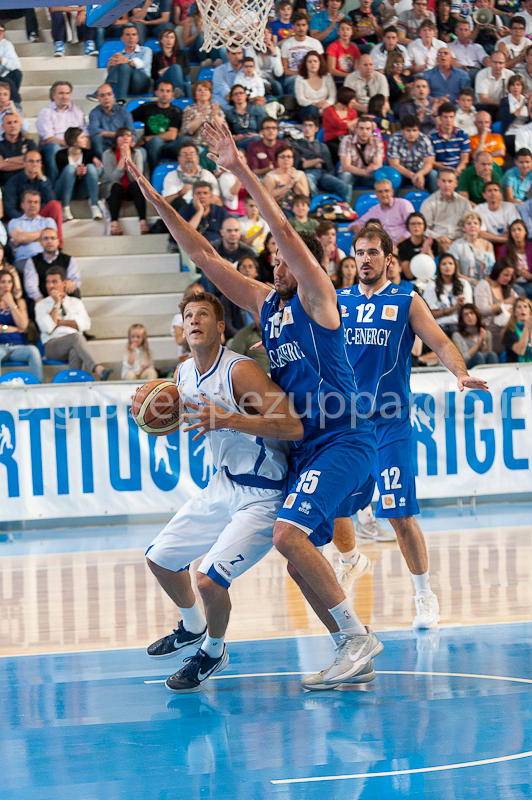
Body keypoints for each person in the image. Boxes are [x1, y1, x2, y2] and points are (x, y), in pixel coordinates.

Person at [127, 123, 385, 691]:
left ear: (310, 265)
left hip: (343, 436)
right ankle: (351, 646)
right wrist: (159, 204)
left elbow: (287, 229)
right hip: (305, 448)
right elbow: (205, 256)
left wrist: (239, 169)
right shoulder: (268, 305)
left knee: (287, 535)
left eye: (282, 259)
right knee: (296, 559)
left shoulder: (319, 298)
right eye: (270, 259)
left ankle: (357, 639)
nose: (274, 264)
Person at [144, 289, 304, 692]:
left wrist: (230, 419)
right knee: (160, 559)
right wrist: (145, 409)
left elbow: (293, 427)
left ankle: (213, 652)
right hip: (223, 483)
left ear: (219, 327)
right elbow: (175, 409)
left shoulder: (240, 371)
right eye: (188, 316)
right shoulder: (181, 373)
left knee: (209, 581)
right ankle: (193, 627)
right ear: (182, 329)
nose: (193, 320)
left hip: (264, 493)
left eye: (202, 315)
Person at [338, 225, 488, 633]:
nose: (364, 259)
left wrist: (460, 372)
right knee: (335, 509)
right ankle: (351, 560)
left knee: (400, 515)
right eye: (359, 252)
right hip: (346, 425)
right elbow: (304, 332)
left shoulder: (406, 299)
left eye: (372, 253)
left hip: (389, 422)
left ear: (389, 259)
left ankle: (424, 595)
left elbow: (440, 342)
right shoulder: (339, 299)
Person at [35, 266, 111, 379]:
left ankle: (74, 386)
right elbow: (47, 328)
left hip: (74, 343)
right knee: (76, 337)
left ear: (64, 283)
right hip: (52, 346)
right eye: (48, 282)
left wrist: (60, 322)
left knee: (75, 352)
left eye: (54, 282)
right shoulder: (41, 305)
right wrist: (57, 304)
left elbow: (86, 325)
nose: (50, 286)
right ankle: (97, 368)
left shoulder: (76, 302)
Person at [35, 81, 88, 185]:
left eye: (67, 93)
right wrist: (71, 143)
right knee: (54, 147)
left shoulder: (76, 109)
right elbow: (48, 138)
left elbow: (85, 131)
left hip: (75, 146)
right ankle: (53, 185)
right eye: (61, 93)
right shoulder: (45, 112)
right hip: (55, 147)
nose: (65, 96)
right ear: (53, 95)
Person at [101, 127, 149, 236]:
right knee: (116, 185)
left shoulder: (137, 153)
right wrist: (123, 159)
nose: (125, 138)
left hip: (131, 188)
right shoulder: (107, 154)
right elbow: (113, 178)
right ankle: (113, 222)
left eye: (128, 135)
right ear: (116, 139)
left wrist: (129, 160)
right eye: (122, 135)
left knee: (136, 186)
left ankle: (143, 221)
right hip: (111, 188)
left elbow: (137, 178)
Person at [0, 268, 43, 382]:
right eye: (3, 281)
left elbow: (23, 326)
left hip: (18, 347)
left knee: (33, 351)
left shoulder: (19, 302)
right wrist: (15, 328)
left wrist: (11, 303)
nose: (7, 285)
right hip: (0, 346)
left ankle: (39, 387)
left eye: (9, 281)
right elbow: (19, 328)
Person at [292, 115, 348, 200]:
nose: (307, 128)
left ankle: (343, 208)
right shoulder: (296, 145)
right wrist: (318, 160)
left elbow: (328, 166)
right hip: (305, 174)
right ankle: (313, 209)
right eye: (305, 125)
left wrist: (307, 162)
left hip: (322, 174)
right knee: (309, 182)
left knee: (343, 185)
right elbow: (299, 165)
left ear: (316, 129)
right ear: (302, 128)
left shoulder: (323, 146)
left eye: (310, 125)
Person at [54, 126, 103, 221]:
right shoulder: (60, 155)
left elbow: (98, 172)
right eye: (82, 137)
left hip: (81, 190)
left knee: (90, 167)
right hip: (64, 190)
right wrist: (76, 173)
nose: (86, 139)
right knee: (70, 169)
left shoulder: (89, 153)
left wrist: (86, 173)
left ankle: (94, 205)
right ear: (74, 141)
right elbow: (62, 176)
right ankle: (65, 207)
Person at [131, 81, 182, 171]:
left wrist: (147, 138)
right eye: (162, 91)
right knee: (156, 141)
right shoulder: (147, 107)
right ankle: (152, 176)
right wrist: (132, 138)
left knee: (187, 141)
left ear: (172, 94)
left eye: (168, 91)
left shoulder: (176, 111)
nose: (164, 94)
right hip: (150, 146)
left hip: (169, 146)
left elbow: (172, 135)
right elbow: (127, 118)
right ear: (156, 93)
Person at [23, 227, 81, 305]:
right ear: (40, 242)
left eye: (52, 238)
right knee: (32, 302)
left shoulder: (68, 259)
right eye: (46, 238)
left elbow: (75, 280)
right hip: (43, 298)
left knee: (75, 291)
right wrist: (39, 298)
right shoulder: (32, 261)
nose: (49, 241)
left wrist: (71, 282)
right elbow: (31, 286)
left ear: (58, 241)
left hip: (64, 297)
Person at [420, 168, 473, 251]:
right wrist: (438, 236)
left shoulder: (464, 202)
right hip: (439, 240)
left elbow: (470, 223)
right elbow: (423, 228)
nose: (446, 185)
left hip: (460, 239)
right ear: (438, 182)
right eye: (443, 181)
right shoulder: (429, 202)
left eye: (450, 181)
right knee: (447, 248)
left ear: (456, 183)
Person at [7, 190, 58, 273]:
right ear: (22, 205)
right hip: (24, 260)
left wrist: (25, 238)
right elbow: (20, 237)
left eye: (36, 202)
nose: (33, 205)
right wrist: (42, 235)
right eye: (29, 202)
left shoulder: (48, 221)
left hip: (46, 259)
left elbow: (50, 238)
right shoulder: (14, 222)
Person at [423, 252, 473, 335]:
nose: (448, 266)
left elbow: (469, 310)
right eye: (444, 264)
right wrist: (454, 307)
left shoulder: (464, 283)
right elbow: (431, 314)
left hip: (461, 326)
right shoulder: (431, 285)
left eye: (450, 263)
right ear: (439, 267)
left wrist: (462, 305)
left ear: (455, 267)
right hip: (440, 327)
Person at [473, 258, 518, 349]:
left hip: (507, 324)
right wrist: (503, 304)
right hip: (490, 326)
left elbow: (518, 301)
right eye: (506, 275)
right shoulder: (483, 285)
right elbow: (480, 311)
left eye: (510, 276)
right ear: (497, 272)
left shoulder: (507, 288)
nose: (508, 278)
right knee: (509, 333)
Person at [351, 178, 415, 243]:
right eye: (380, 191)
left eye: (386, 191)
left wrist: (397, 244)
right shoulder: (374, 210)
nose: (384, 195)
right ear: (376, 194)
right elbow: (354, 224)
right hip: (383, 247)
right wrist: (356, 228)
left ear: (392, 192)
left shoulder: (403, 204)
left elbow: (413, 227)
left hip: (405, 244)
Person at [387, 114, 438, 193]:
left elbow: (429, 163)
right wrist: (412, 175)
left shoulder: (425, 139)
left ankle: (436, 202)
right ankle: (392, 203)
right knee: (393, 176)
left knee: (433, 174)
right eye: (408, 130)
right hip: (402, 173)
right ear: (402, 130)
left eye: (414, 130)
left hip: (420, 171)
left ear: (418, 130)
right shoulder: (394, 139)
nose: (411, 134)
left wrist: (420, 174)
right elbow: (394, 165)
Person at [162, 142, 221, 209]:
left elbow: (216, 199)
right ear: (179, 159)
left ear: (197, 157)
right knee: (178, 202)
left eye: (192, 154)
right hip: (181, 213)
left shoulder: (207, 175)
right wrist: (180, 193)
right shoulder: (171, 176)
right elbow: (166, 202)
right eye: (184, 154)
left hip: (204, 212)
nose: (189, 157)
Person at [104, 24, 152, 104]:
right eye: (127, 34)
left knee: (124, 66)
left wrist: (127, 60)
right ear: (122, 39)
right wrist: (109, 68)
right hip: (125, 84)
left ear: (138, 38)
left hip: (142, 83)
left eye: (134, 34)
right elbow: (108, 76)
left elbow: (143, 64)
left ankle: (107, 90)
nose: (131, 37)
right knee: (118, 65)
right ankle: (119, 99)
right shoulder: (118, 55)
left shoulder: (146, 50)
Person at [87, 83, 136, 159]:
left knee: (141, 152)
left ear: (113, 95)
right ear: (98, 98)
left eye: (109, 94)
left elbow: (131, 132)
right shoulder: (94, 113)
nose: (106, 98)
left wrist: (126, 139)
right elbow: (94, 130)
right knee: (97, 139)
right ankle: (104, 166)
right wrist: (118, 134)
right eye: (102, 95)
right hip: (104, 145)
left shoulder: (124, 112)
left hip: (122, 144)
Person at [338, 115, 384, 193]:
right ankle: (344, 204)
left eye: (367, 129)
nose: (364, 132)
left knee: (383, 180)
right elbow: (346, 167)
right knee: (345, 176)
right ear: (356, 129)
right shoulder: (347, 140)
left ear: (372, 130)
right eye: (361, 128)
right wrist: (365, 172)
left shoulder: (377, 142)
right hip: (352, 174)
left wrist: (369, 171)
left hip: (369, 176)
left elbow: (377, 165)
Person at [280, 13, 324, 94]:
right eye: (298, 25)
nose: (301, 28)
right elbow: (284, 70)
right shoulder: (286, 44)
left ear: (307, 26)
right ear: (293, 27)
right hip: (293, 78)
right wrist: (301, 74)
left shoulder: (315, 43)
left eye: (303, 25)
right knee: (299, 81)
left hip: (313, 77)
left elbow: (322, 65)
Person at [449, 210, 496, 281]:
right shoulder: (456, 245)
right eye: (469, 223)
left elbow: (491, 270)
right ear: (463, 228)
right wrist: (472, 282)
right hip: (464, 283)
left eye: (475, 223)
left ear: (480, 227)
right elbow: (456, 273)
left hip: (485, 283)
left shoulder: (488, 245)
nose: (472, 226)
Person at [179, 82, 225, 151]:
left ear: (210, 93)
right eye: (199, 90)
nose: (203, 92)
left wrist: (214, 115)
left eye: (206, 89)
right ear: (195, 95)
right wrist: (202, 116)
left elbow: (224, 129)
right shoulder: (189, 109)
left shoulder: (216, 109)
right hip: (196, 146)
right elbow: (187, 129)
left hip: (214, 146)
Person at [264, 144, 310, 212]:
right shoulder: (270, 176)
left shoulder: (300, 174)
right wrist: (288, 185)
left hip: (298, 211)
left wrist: (295, 180)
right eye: (282, 157)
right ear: (277, 159)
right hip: (278, 210)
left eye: (289, 156)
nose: (286, 159)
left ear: (293, 159)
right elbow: (270, 198)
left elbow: (305, 196)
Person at [430, 102, 471, 174]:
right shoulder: (431, 136)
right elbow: (431, 162)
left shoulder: (463, 135)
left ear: (454, 117)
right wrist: (448, 170)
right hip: (440, 170)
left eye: (451, 117)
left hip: (458, 170)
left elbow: (464, 160)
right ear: (440, 118)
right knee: (433, 174)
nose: (448, 120)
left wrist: (458, 169)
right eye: (445, 117)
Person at [295, 51, 336, 120]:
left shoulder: (327, 77)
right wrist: (316, 104)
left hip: (324, 106)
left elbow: (333, 96)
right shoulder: (300, 79)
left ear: (320, 63)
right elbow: (301, 100)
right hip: (307, 108)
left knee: (330, 110)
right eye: (310, 61)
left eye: (315, 61)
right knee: (312, 109)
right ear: (306, 64)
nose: (313, 63)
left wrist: (325, 105)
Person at [476, 180, 520, 245]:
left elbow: (517, 227)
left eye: (496, 190)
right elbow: (481, 233)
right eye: (489, 190)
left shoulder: (509, 207)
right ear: (484, 195)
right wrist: (503, 239)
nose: (493, 193)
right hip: (487, 243)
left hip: (509, 243)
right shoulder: (478, 209)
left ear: (501, 194)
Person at [0, 111, 37, 187]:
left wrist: (7, 160)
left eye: (15, 122)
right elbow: (1, 165)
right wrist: (26, 164)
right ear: (3, 127)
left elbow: (34, 160)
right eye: (9, 123)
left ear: (20, 125)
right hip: (5, 184)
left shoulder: (29, 142)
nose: (13, 125)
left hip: (28, 183)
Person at [321, 85, 358, 162]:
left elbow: (353, 127)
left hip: (348, 139)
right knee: (340, 152)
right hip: (333, 140)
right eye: (352, 99)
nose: (354, 101)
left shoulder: (352, 112)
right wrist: (358, 119)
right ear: (345, 99)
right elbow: (341, 125)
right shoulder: (329, 110)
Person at [225, 84, 266, 149]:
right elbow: (226, 132)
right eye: (235, 94)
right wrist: (235, 137)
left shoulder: (256, 109)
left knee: (257, 139)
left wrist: (258, 135)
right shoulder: (229, 114)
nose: (239, 95)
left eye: (241, 93)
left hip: (256, 137)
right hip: (239, 142)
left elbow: (264, 127)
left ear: (246, 95)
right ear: (232, 97)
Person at [475, 51, 514, 118]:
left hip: (502, 107)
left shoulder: (510, 75)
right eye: (495, 62)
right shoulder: (482, 74)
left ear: (505, 64)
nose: (497, 66)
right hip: (485, 107)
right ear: (490, 62)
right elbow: (483, 99)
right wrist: (503, 102)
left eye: (500, 63)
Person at [151, 28, 189, 97]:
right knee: (175, 67)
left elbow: (187, 70)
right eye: (166, 37)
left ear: (175, 40)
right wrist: (160, 72)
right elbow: (153, 74)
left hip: (179, 79)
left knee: (189, 87)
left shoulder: (182, 54)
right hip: (163, 82)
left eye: (172, 37)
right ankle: (179, 92)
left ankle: (179, 93)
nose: (169, 40)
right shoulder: (156, 56)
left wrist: (169, 69)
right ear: (161, 40)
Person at [499, 218, 532, 295]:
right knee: (520, 291)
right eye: (513, 230)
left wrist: (530, 276)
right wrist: (517, 274)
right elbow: (502, 269)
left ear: (525, 232)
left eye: (519, 229)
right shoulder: (505, 249)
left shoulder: (531, 247)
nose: (516, 232)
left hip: (528, 282)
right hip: (511, 283)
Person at [499, 74, 531, 153]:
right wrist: (521, 106)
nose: (515, 87)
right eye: (512, 85)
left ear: (522, 87)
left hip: (526, 131)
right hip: (510, 132)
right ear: (509, 87)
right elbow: (506, 119)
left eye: (518, 85)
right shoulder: (505, 101)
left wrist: (530, 103)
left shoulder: (526, 100)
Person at [397, 211, 434, 278]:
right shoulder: (402, 246)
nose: (416, 226)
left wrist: (429, 252)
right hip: (412, 283)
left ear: (424, 226)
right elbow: (409, 275)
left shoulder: (432, 243)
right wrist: (422, 253)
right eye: (413, 223)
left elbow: (436, 270)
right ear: (408, 226)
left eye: (419, 223)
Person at [212, 48, 244, 112]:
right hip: (223, 106)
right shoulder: (219, 70)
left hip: (242, 105)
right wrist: (250, 99)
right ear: (227, 55)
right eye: (233, 53)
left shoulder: (247, 70)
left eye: (239, 53)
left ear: (242, 55)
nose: (237, 56)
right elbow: (228, 97)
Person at [501, 295, 532, 360]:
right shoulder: (509, 331)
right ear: (514, 312)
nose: (522, 309)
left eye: (525, 306)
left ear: (530, 311)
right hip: (515, 367)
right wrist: (526, 328)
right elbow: (520, 351)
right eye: (519, 307)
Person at [0, 23, 23, 104]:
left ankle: (14, 104)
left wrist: (2, 60)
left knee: (16, 74)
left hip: (2, 74)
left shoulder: (6, 44)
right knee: (8, 82)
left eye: (1, 31)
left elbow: (16, 65)